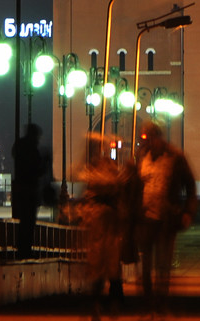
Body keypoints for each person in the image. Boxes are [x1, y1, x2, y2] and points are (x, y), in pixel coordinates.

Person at [136, 121, 197, 308]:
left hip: (167, 217)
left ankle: (161, 300)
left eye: (149, 139)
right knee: (145, 262)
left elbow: (190, 185)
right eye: (143, 140)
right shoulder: (142, 157)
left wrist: (188, 212)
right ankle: (148, 300)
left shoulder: (175, 157)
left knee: (163, 262)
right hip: (146, 218)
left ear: (158, 138)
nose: (146, 143)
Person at [68, 134, 132, 315]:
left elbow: (116, 185)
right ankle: (97, 300)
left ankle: (113, 299)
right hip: (96, 221)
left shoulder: (104, 166)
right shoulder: (89, 168)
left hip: (108, 221)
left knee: (110, 260)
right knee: (98, 262)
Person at [11, 124, 47, 259]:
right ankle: (26, 249)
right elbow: (37, 170)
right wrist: (45, 162)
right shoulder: (32, 149)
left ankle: (22, 248)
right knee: (29, 221)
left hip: (21, 188)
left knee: (24, 221)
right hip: (30, 189)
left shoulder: (19, 147)